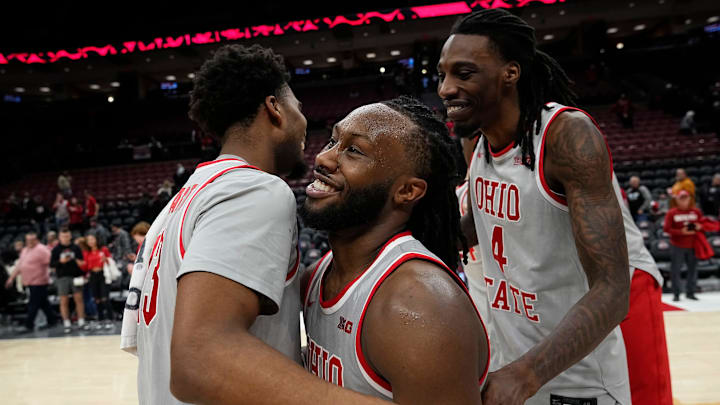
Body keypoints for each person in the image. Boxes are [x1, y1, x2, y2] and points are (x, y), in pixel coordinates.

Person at [126, 44, 385, 405]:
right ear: (274, 108)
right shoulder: (255, 189)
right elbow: (199, 357)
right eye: (299, 107)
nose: (304, 124)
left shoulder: (177, 205)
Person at [438, 9, 633, 404]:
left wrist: (528, 373)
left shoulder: (565, 136)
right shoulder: (480, 145)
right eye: (442, 74)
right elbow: (472, 232)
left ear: (510, 73)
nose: (445, 88)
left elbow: (613, 290)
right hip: (507, 372)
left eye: (464, 73)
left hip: (576, 384)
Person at [300, 97, 489, 403]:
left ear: (406, 191)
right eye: (333, 140)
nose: (324, 158)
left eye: (354, 151)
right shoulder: (318, 275)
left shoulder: (419, 308)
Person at [4, 232, 57, 333]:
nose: (29, 242)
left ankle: (29, 325)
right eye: (28, 240)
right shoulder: (25, 250)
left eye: (32, 240)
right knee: (43, 303)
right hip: (29, 282)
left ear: (36, 240)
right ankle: (52, 320)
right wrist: (11, 278)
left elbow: (51, 262)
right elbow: (20, 265)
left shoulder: (42, 250)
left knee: (33, 303)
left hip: (39, 281)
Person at [664, 190, 703, 301]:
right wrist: (681, 232)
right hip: (677, 245)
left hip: (693, 245)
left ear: (690, 199)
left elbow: (703, 225)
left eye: (686, 198)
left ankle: (690, 292)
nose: (684, 200)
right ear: (676, 199)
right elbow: (666, 229)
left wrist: (699, 227)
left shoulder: (696, 212)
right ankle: (676, 293)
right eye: (681, 198)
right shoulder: (672, 213)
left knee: (693, 269)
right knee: (676, 270)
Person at [50, 228, 87, 333]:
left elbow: (82, 262)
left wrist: (77, 261)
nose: (65, 238)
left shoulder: (76, 248)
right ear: (59, 237)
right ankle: (66, 322)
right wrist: (61, 261)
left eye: (67, 236)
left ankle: (81, 321)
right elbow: (51, 264)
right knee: (63, 300)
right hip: (62, 277)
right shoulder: (56, 249)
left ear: (70, 236)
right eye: (63, 236)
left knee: (79, 299)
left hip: (76, 276)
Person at [83, 234, 114, 328]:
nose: (91, 241)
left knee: (105, 298)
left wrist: (106, 260)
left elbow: (111, 262)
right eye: (89, 240)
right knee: (97, 299)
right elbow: (86, 266)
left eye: (92, 239)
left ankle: (110, 318)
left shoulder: (103, 249)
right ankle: (100, 319)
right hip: (93, 275)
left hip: (103, 274)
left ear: (96, 239)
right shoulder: (86, 252)